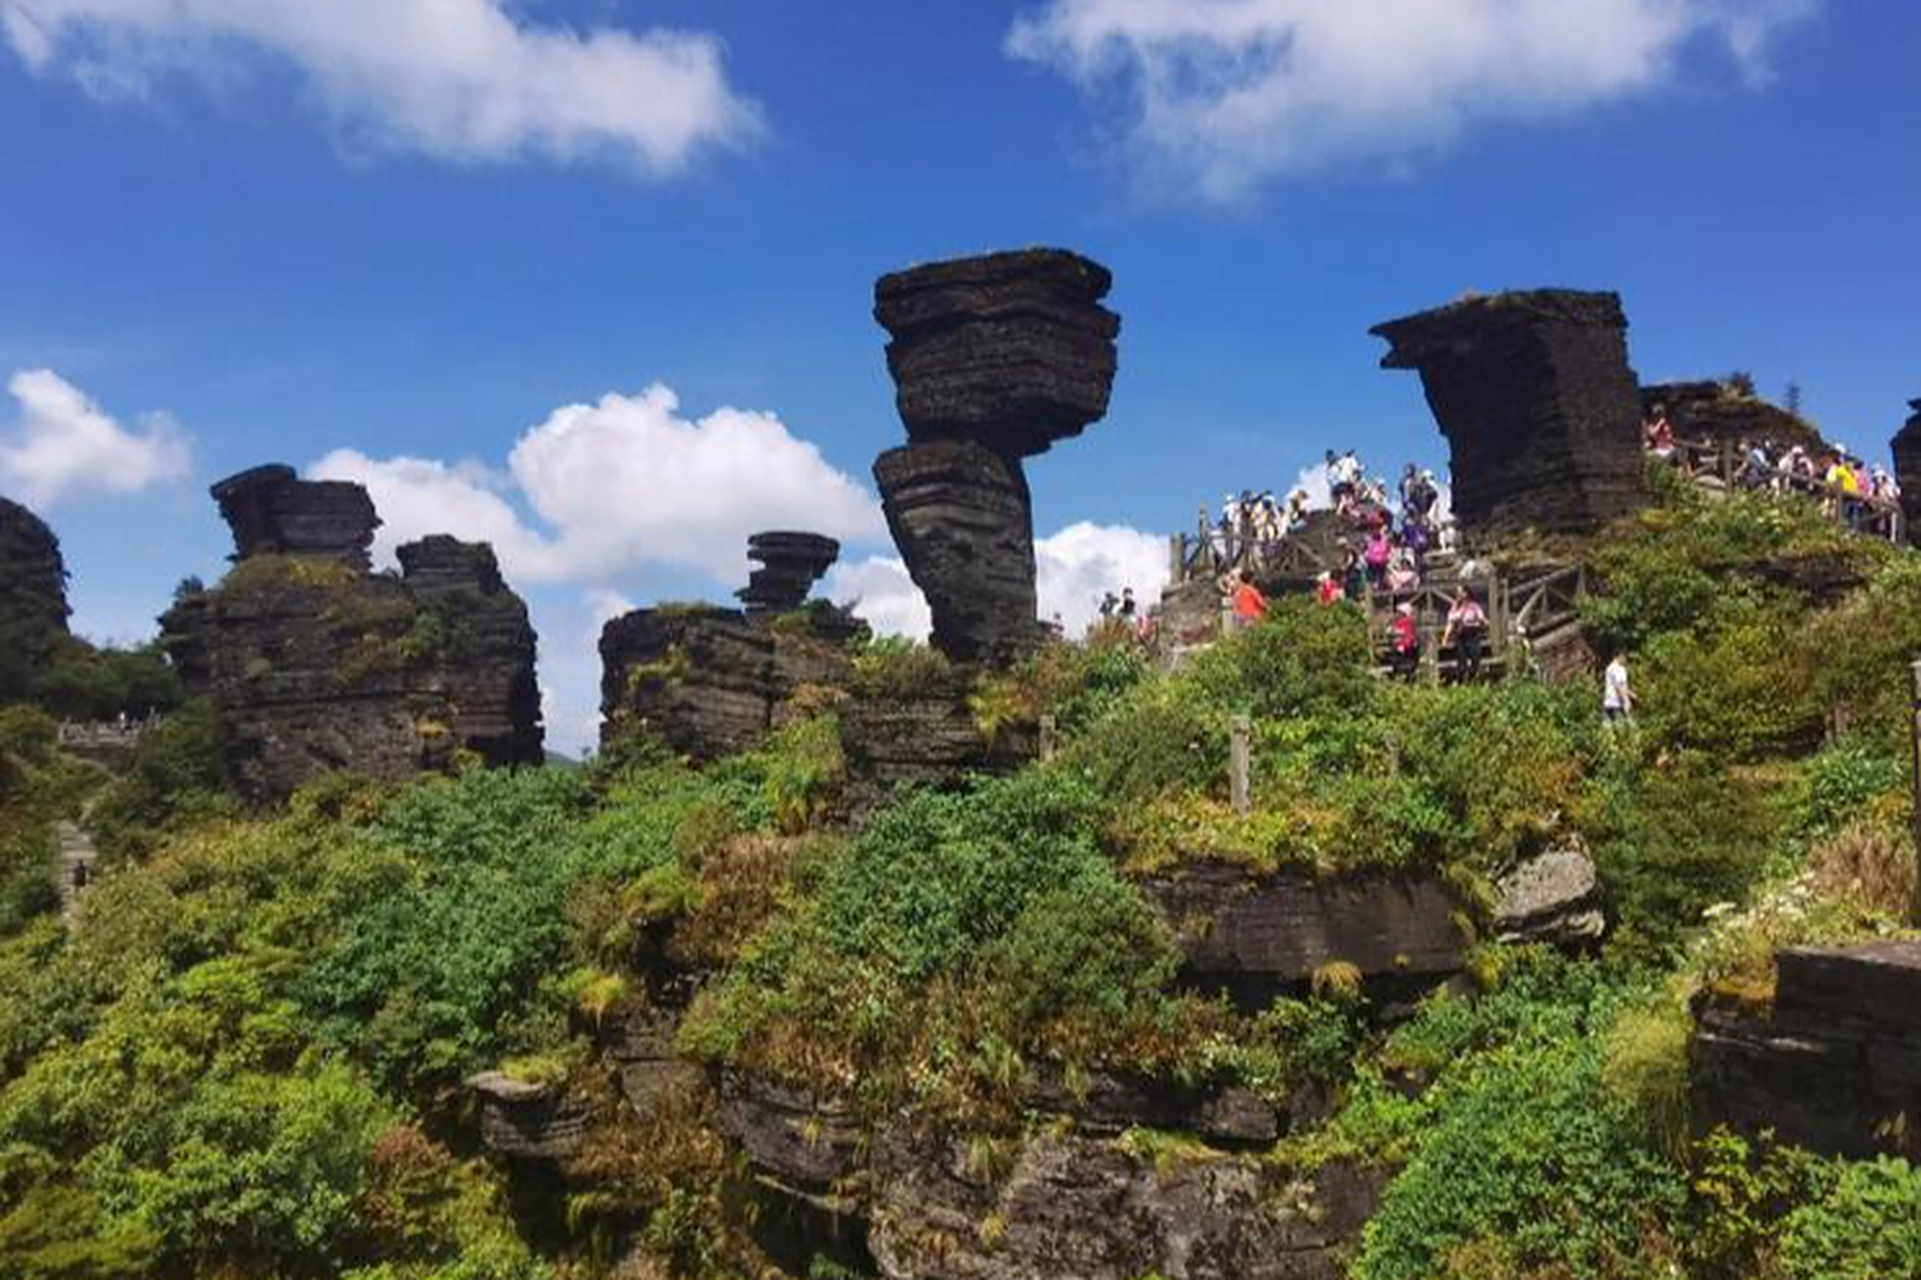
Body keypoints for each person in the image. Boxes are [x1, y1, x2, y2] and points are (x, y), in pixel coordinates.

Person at [1443, 589, 1489, 681]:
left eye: (1460, 592)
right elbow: (1450, 622)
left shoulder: (1474, 606)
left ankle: (1473, 677)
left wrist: (1485, 623)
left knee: (1475, 657)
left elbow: (1481, 618)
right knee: (1461, 658)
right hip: (1461, 634)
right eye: (1457, 592)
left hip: (1472, 633)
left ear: (1466, 593)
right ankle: (1463, 679)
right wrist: (1446, 636)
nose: (1458, 594)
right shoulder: (1455, 607)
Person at [1387, 602, 1420, 681]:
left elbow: (1408, 636)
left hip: (1406, 650)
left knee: (1405, 667)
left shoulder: (1408, 622)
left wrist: (1397, 633)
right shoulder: (1398, 622)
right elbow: (1390, 631)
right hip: (1401, 650)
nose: (1397, 614)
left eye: (1399, 612)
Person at [1603, 652, 1634, 728]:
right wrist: (1626, 701)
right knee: (1621, 727)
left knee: (1608, 728)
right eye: (1624, 657)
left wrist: (1631, 693)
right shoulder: (1618, 669)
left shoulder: (1609, 668)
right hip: (1617, 702)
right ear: (1619, 656)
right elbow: (1619, 686)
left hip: (1608, 702)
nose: (1625, 659)